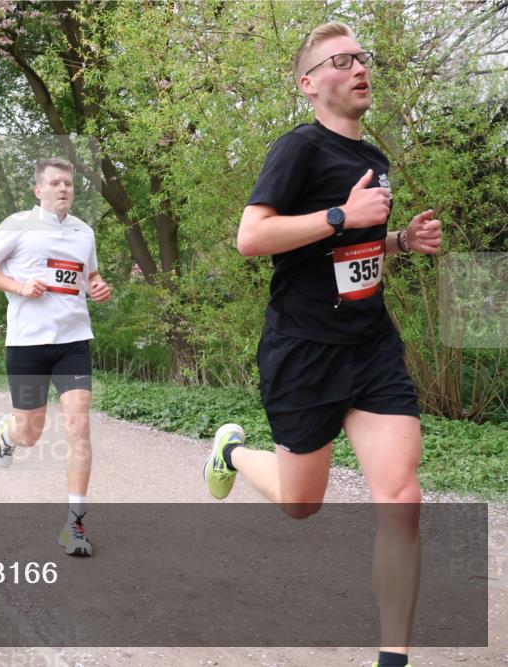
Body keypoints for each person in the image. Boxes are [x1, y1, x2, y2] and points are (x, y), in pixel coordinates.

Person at [203, 22, 442, 667]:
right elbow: (251, 238)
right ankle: (232, 453)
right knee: (303, 503)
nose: (360, 66)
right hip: (303, 350)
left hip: (370, 348)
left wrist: (396, 243)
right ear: (309, 84)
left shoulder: (376, 162)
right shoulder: (297, 150)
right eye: (341, 60)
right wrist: (341, 215)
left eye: (363, 57)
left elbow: (349, 251)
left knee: (402, 498)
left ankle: (392, 658)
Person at [0, 157, 112, 557]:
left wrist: (100, 286)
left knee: (78, 425)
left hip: (73, 343)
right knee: (30, 434)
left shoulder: (84, 232)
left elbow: (92, 276)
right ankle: (9, 433)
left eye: (68, 183)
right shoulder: (18, 225)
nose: (63, 188)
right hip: (27, 343)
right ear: (39, 190)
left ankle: (76, 524)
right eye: (54, 183)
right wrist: (18, 287)